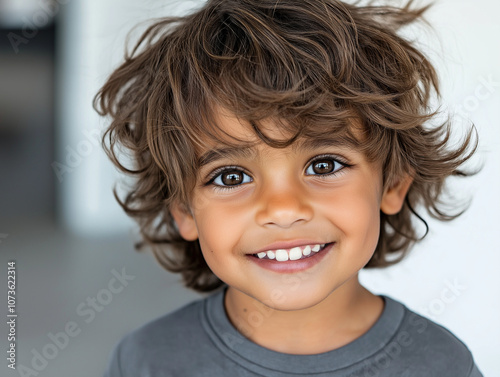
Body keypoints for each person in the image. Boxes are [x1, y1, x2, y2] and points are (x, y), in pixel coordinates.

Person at [94, 0, 483, 375]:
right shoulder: (145, 361)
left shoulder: (443, 366)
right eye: (231, 177)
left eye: (324, 165)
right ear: (183, 210)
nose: (282, 208)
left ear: (393, 184)